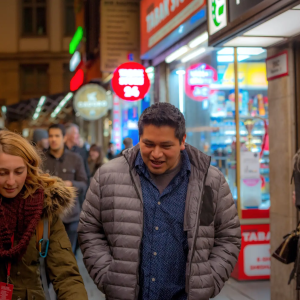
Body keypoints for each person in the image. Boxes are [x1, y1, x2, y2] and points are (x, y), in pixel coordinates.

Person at [78, 103, 241, 300]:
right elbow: (89, 229)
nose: (156, 154)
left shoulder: (209, 181)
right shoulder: (107, 176)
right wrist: (108, 276)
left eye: (165, 146)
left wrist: (209, 280)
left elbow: (227, 236)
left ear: (182, 141)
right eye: (148, 144)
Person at [0, 130, 88, 299]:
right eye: (2, 173)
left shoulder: (44, 209)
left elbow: (65, 274)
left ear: (29, 168)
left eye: (18, 172)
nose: (11, 181)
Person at [44, 124, 87, 253]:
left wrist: (71, 184)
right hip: (48, 216)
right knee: (48, 257)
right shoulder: (41, 159)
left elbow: (84, 184)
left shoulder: (75, 159)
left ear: (64, 138)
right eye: (51, 136)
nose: (53, 139)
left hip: (71, 217)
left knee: (68, 256)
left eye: (57, 136)